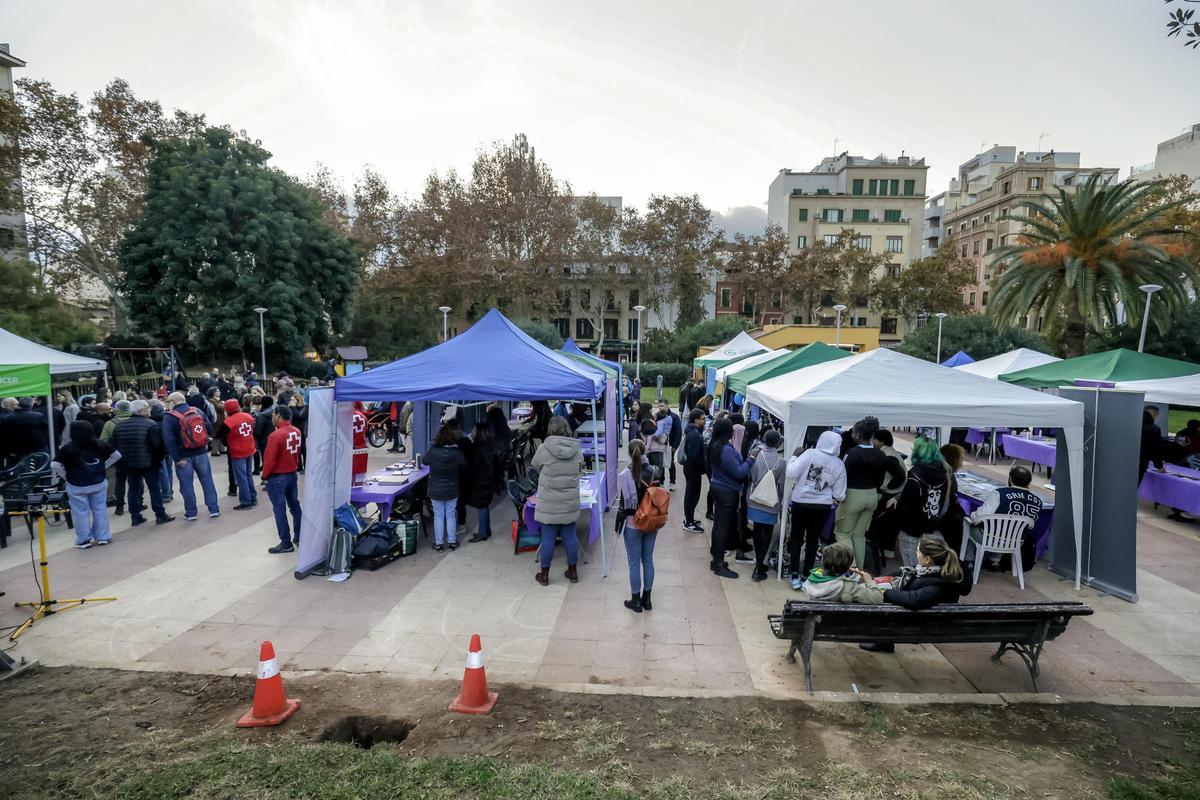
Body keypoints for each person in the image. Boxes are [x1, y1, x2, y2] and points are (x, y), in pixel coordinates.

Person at [835, 416, 905, 568]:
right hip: (872, 495)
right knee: (859, 535)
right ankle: (859, 570)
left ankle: (850, 569)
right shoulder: (881, 454)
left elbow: (843, 476)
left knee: (843, 533)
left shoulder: (852, 453)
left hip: (853, 495)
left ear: (858, 435)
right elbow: (880, 480)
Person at [785, 430, 847, 588]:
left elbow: (791, 473)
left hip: (800, 503)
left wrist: (793, 456)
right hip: (822, 506)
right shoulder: (839, 464)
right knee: (813, 540)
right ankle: (806, 574)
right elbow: (840, 495)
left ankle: (794, 575)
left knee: (796, 538)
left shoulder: (809, 454)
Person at [530, 416, 584, 585]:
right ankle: (573, 572)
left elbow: (535, 466)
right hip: (569, 501)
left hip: (549, 502)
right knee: (570, 536)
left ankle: (544, 575)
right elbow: (580, 467)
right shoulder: (577, 449)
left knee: (547, 538)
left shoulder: (544, 448)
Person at [52, 421, 121, 549]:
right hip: (98, 482)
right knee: (100, 509)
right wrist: (103, 467)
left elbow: (54, 465)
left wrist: (65, 475)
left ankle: (83, 540)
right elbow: (117, 455)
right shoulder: (100, 444)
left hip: (76, 484)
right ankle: (103, 537)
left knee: (80, 512)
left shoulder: (68, 448)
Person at [706, 417, 758, 579]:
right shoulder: (725, 449)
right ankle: (719, 563)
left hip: (719, 487)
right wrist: (752, 458)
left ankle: (716, 557)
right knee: (723, 527)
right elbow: (739, 472)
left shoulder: (715, 445)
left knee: (719, 526)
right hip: (726, 491)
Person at [968, 464, 1043, 569]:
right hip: (1016, 542)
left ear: (1010, 479)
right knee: (1006, 530)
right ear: (1028, 482)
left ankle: (969, 561)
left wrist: (971, 517)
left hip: (991, 539)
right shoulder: (1038, 501)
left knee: (970, 524)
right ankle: (994, 560)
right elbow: (1030, 526)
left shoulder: (999, 493)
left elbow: (978, 517)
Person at [111, 400, 174, 526]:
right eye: (147, 408)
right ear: (142, 411)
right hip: (149, 463)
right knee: (154, 489)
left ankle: (135, 517)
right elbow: (157, 445)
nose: (149, 410)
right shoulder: (150, 424)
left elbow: (114, 444)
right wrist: (159, 458)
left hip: (129, 463)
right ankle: (160, 514)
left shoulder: (120, 426)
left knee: (133, 489)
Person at [162, 391, 220, 522]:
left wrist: (177, 458)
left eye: (168, 402)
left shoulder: (170, 417)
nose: (167, 404)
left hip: (183, 456)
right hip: (201, 453)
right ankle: (214, 509)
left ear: (174, 402)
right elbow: (209, 427)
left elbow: (169, 440)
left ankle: (191, 512)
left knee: (186, 485)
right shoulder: (197, 411)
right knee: (207, 481)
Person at [617, 439, 661, 612]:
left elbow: (624, 504)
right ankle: (647, 600)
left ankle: (635, 601)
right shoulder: (654, 471)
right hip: (651, 522)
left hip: (633, 523)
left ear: (629, 454)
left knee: (634, 562)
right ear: (645, 451)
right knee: (648, 560)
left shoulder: (626, 474)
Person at [894, 436, 952, 567]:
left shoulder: (915, 474)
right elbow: (944, 505)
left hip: (911, 529)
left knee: (911, 568)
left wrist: (898, 522)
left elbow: (905, 507)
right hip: (931, 527)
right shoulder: (944, 474)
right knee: (926, 568)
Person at [262, 405, 303, 553]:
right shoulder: (296, 431)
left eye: (273, 414)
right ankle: (300, 535)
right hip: (291, 473)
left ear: (278, 415)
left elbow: (270, 459)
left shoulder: (275, 436)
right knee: (295, 506)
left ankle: (285, 542)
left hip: (278, 476)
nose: (272, 417)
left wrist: (265, 475)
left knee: (279, 509)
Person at [745, 428, 785, 581]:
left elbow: (750, 475)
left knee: (757, 531)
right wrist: (780, 502)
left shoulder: (755, 455)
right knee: (767, 532)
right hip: (771, 502)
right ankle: (759, 565)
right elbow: (781, 485)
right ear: (778, 443)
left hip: (754, 498)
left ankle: (758, 562)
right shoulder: (781, 462)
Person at [425, 422, 467, 552]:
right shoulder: (457, 452)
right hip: (452, 488)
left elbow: (424, 461)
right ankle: (452, 542)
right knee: (450, 515)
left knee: (438, 516)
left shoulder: (433, 451)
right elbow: (464, 464)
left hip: (435, 489)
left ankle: (438, 544)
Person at [802, 542, 884, 603]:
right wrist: (869, 580)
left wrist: (857, 579)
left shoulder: (811, 580)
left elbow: (832, 580)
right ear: (848, 567)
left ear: (823, 563)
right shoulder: (847, 587)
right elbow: (878, 598)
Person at [217, 398, 258, 510]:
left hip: (238, 451)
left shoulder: (228, 422)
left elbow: (219, 435)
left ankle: (246, 501)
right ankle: (253, 497)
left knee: (241, 477)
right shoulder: (248, 416)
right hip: (249, 448)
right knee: (248, 475)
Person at [465, 421, 497, 542]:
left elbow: (473, 466)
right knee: (485, 505)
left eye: (473, 430)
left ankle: (482, 532)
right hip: (487, 480)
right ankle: (486, 529)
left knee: (481, 506)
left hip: (479, 481)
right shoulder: (489, 445)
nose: (472, 432)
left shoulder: (476, 448)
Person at [100, 400, 132, 514]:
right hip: (136, 456)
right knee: (136, 481)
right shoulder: (136, 420)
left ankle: (119, 506)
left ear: (117, 410)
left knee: (120, 481)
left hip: (119, 457)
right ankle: (138, 503)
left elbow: (103, 442)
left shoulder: (109, 424)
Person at [680, 408, 707, 532]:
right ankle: (688, 521)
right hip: (693, 470)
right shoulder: (695, 434)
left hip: (690, 469)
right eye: (703, 418)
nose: (705, 420)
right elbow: (694, 456)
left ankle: (689, 518)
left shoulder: (691, 431)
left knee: (691, 494)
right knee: (692, 495)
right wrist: (703, 467)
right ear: (696, 420)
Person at [938, 443, 966, 553]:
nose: (962, 462)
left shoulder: (943, 471)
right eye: (961, 459)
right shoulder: (948, 475)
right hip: (948, 519)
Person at [1139, 408, 1166, 487]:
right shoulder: (1153, 428)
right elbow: (1156, 449)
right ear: (1155, 415)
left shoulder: (1132, 423)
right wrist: (1159, 466)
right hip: (1139, 463)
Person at [252, 396, 274, 476]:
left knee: (265, 459)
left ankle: (266, 477)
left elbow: (258, 431)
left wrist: (254, 435)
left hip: (263, 440)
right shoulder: (274, 412)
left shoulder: (261, 415)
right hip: (272, 437)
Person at [666, 403, 683, 490]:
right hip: (660, 444)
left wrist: (675, 446)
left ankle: (672, 482)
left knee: (670, 463)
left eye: (663, 406)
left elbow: (678, 432)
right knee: (660, 462)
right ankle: (661, 480)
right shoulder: (657, 416)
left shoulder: (674, 417)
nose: (661, 408)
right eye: (659, 406)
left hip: (671, 444)